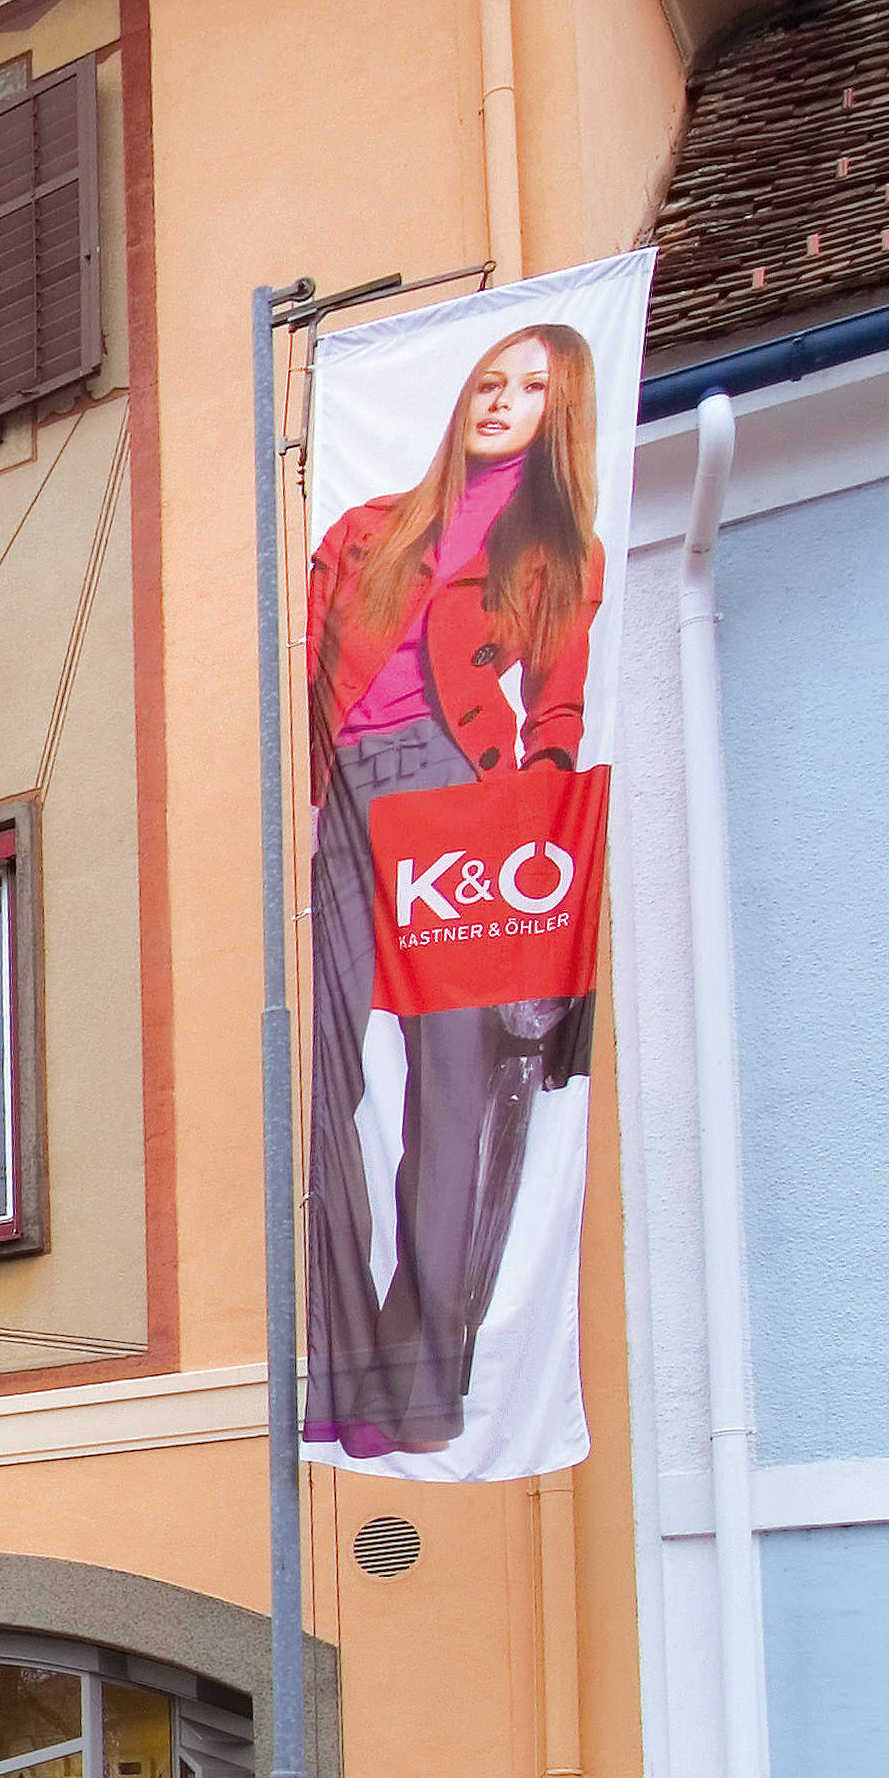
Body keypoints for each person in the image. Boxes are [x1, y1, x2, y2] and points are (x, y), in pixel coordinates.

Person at [301, 320, 602, 1459]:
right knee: (324, 1088)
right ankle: (344, 1370)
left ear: (556, 412)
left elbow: (560, 707)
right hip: (346, 803)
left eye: (530, 387)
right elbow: (307, 672)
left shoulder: (555, 548)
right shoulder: (364, 530)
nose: (501, 398)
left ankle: (421, 1382)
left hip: (464, 798)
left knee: (458, 1091)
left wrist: (536, 809)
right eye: (490, 377)